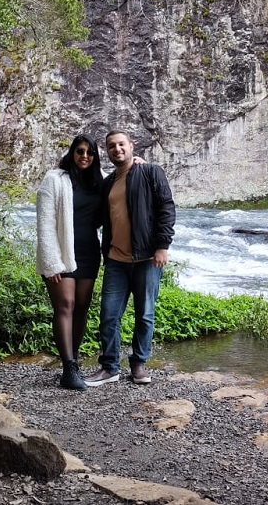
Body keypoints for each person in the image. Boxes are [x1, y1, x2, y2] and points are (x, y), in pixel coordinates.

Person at [84, 129, 176, 386]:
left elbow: (166, 208)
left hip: (147, 258)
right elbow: (101, 217)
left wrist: (162, 246)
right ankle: (110, 367)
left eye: (121, 144)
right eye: (111, 146)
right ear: (108, 151)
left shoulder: (149, 172)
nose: (117, 149)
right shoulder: (108, 182)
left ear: (131, 146)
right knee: (109, 315)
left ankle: (138, 365)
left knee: (144, 314)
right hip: (116, 259)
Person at [35, 134, 104, 391]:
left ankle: (72, 360)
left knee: (82, 308)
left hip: (88, 253)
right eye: (79, 151)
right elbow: (45, 223)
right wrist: (51, 262)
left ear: (95, 156)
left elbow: (123, 181)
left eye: (89, 152)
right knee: (66, 304)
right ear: (72, 152)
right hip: (62, 254)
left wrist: (138, 162)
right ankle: (69, 368)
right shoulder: (55, 179)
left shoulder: (100, 181)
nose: (84, 156)